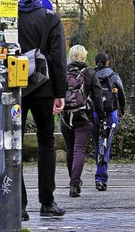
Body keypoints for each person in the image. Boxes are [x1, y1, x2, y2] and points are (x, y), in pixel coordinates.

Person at [0, 0, 67, 221]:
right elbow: (58, 58)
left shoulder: (6, 17)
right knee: (46, 145)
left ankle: (18, 204)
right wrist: (60, 93)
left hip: (14, 90)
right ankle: (47, 202)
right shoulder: (51, 19)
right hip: (44, 88)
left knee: (13, 144)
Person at [59, 45, 103, 198]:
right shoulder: (90, 73)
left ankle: (73, 179)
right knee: (79, 149)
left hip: (66, 116)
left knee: (70, 149)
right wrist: (101, 114)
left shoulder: (63, 72)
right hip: (84, 116)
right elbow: (97, 96)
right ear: (84, 57)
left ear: (70, 56)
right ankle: (74, 183)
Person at [92, 51, 126, 191]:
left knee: (97, 144)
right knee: (105, 145)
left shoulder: (91, 75)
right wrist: (122, 109)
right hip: (110, 114)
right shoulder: (113, 76)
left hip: (94, 114)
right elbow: (121, 93)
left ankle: (99, 176)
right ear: (107, 62)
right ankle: (101, 178)